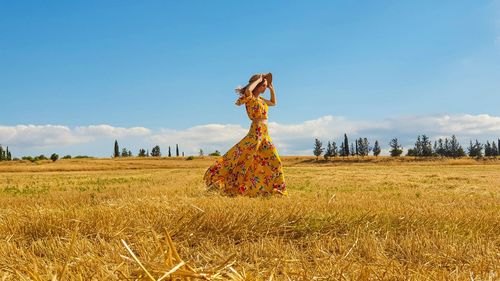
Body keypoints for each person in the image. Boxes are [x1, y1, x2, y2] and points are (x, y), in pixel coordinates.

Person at [203, 73, 287, 196]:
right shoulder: (250, 98)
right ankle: (222, 183)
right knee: (244, 160)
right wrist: (258, 79)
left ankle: (278, 190)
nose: (265, 87)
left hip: (265, 133)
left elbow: (273, 103)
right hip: (256, 132)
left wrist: (272, 89)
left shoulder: (261, 100)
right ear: (257, 86)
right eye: (263, 85)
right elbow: (248, 90)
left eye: (265, 86)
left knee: (275, 160)